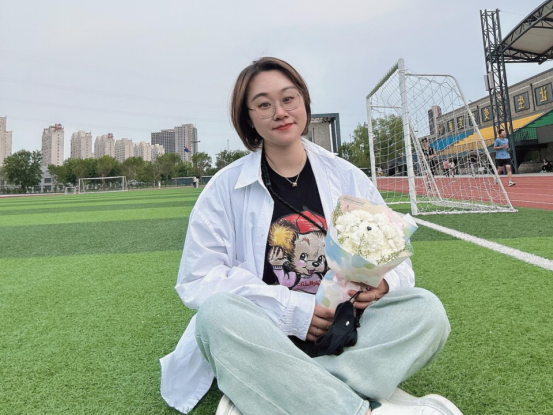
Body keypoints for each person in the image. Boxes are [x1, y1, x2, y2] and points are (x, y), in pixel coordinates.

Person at [160, 57, 461, 415]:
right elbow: (198, 279)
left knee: (427, 311)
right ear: (248, 118)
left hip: (346, 326)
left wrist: (384, 284)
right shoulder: (224, 188)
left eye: (288, 98)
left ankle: (280, 392)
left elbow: (393, 258)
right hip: (268, 335)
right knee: (215, 316)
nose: (280, 112)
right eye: (263, 105)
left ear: (303, 101)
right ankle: (354, 408)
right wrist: (293, 311)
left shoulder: (346, 176)